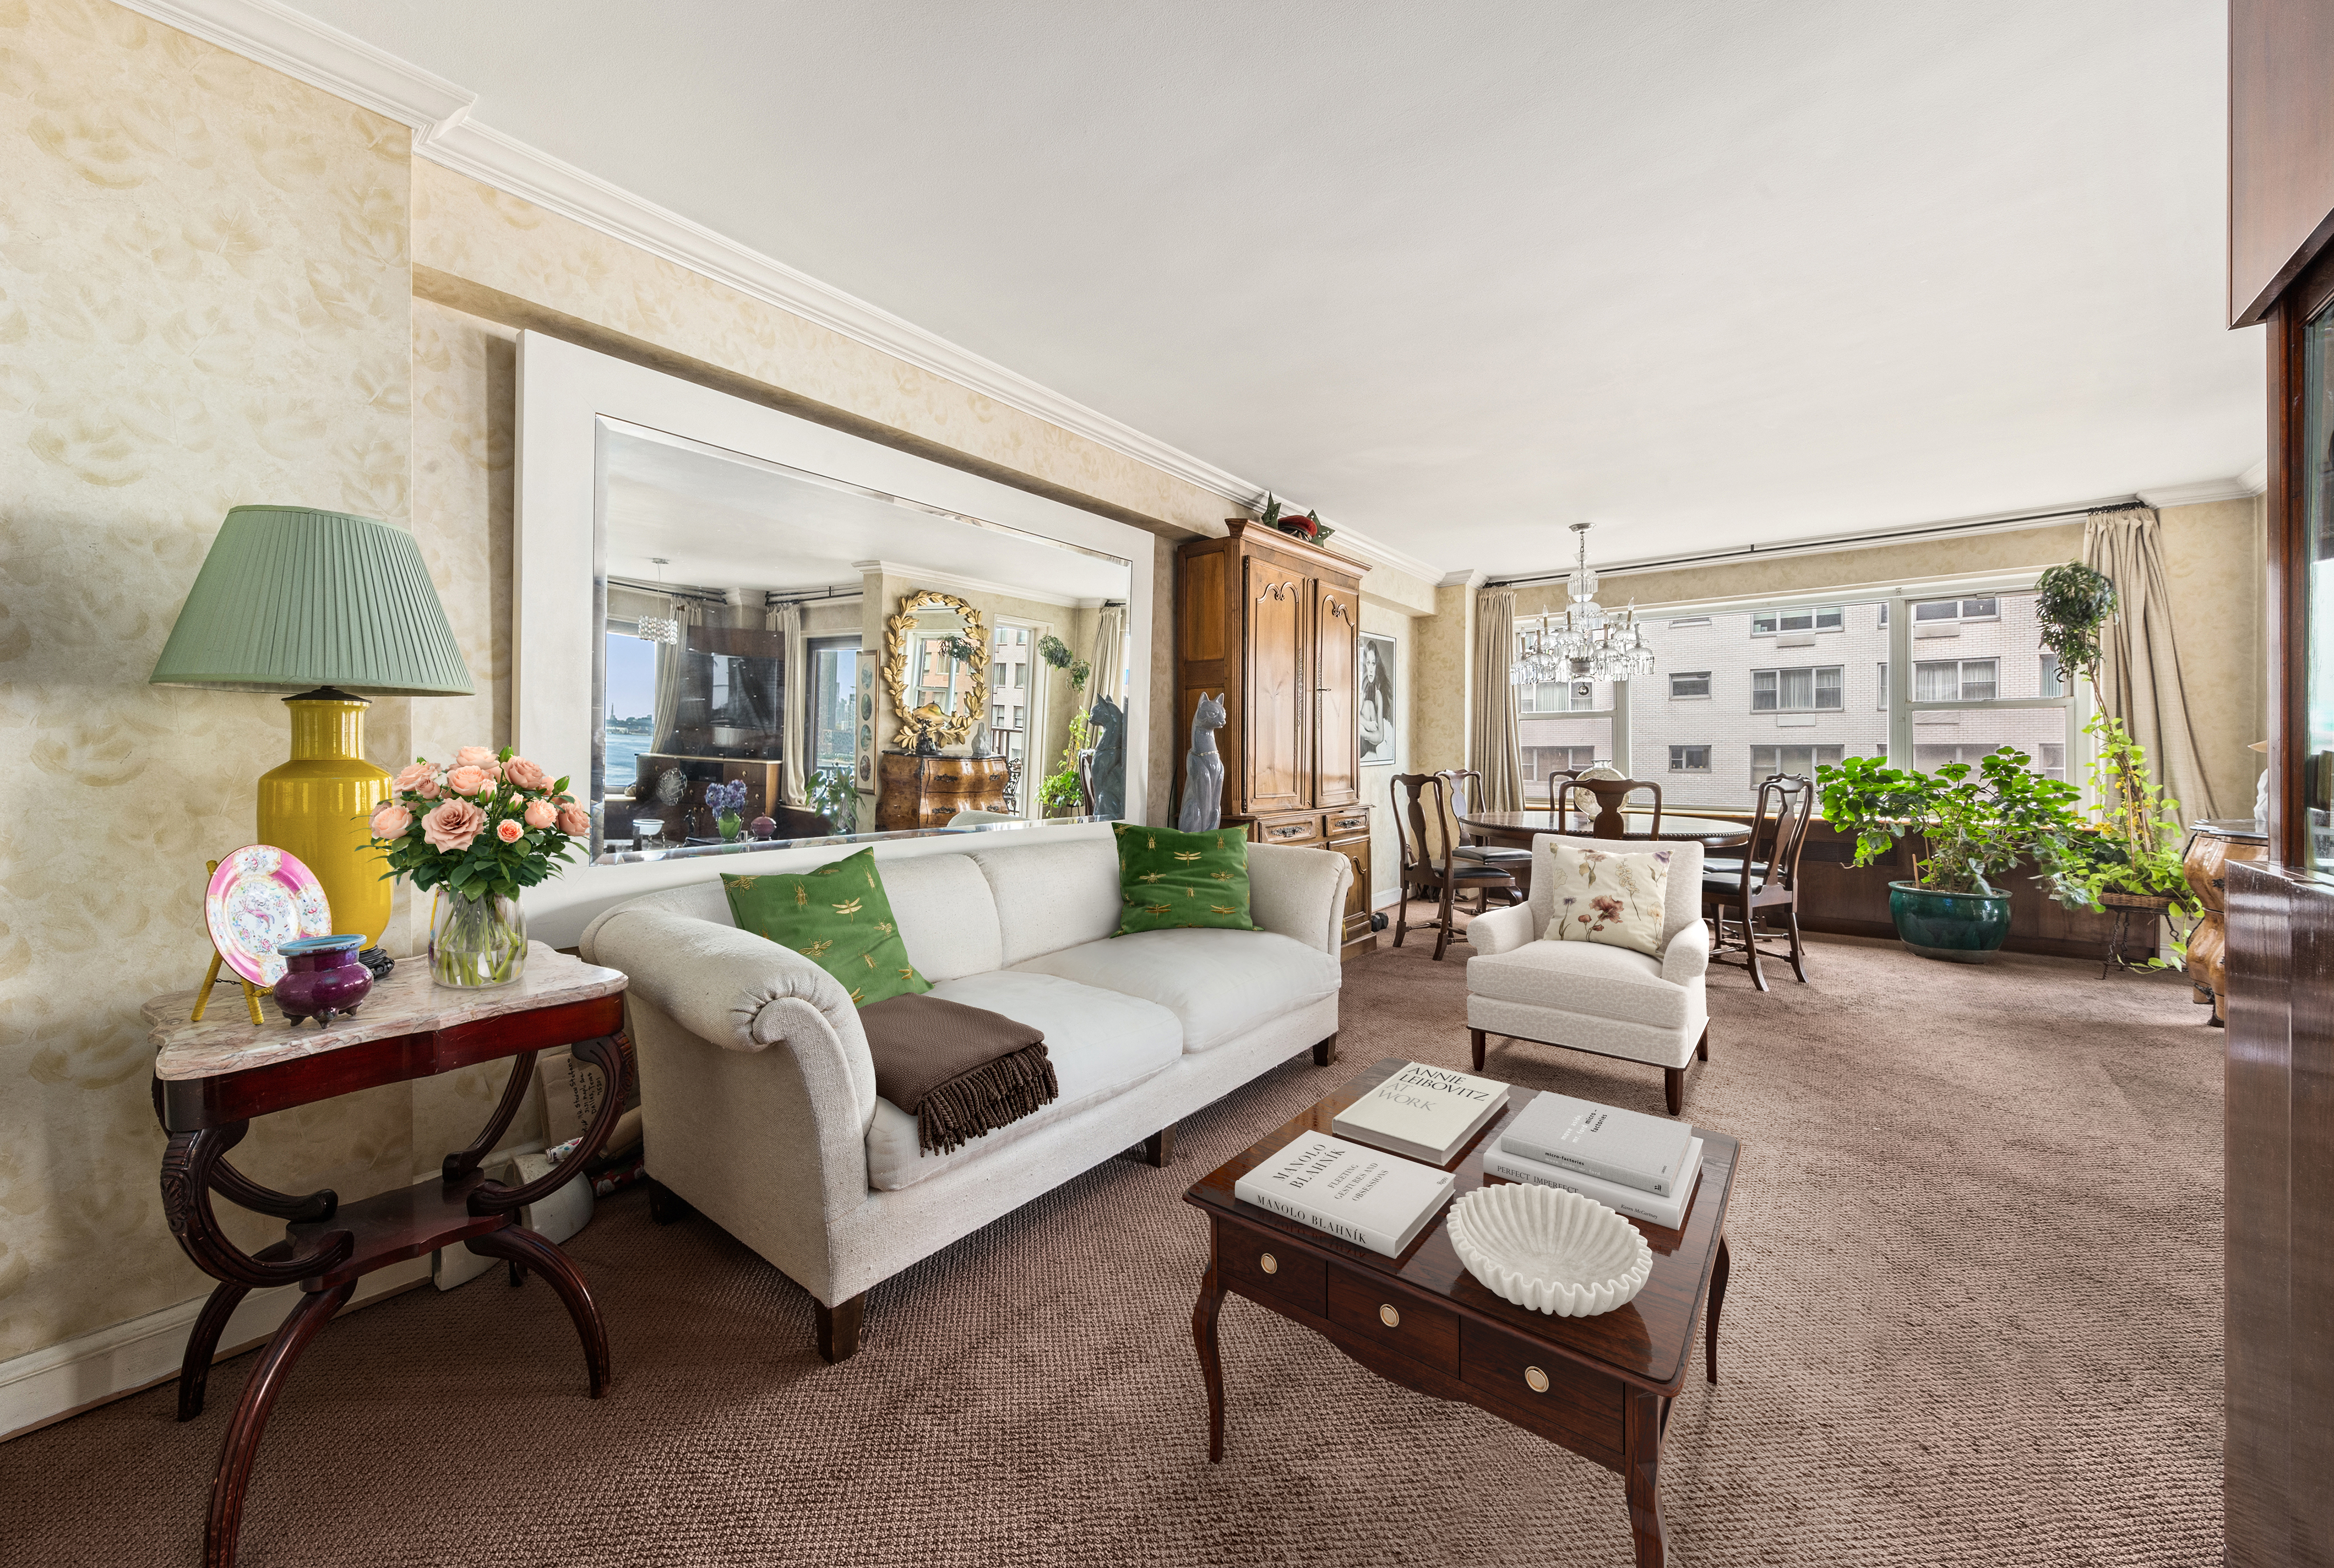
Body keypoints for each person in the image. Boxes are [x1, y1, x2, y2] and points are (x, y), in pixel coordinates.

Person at [1358, 639, 1394, 763]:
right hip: (1370, 737)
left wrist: (1363, 732)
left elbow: (1380, 737)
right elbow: (1353, 715)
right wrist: (1367, 724)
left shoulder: (1378, 692)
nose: (1371, 669)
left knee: (1368, 705)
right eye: (1368, 663)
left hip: (1384, 740)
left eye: (1374, 663)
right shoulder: (1363, 689)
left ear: (1377, 665)